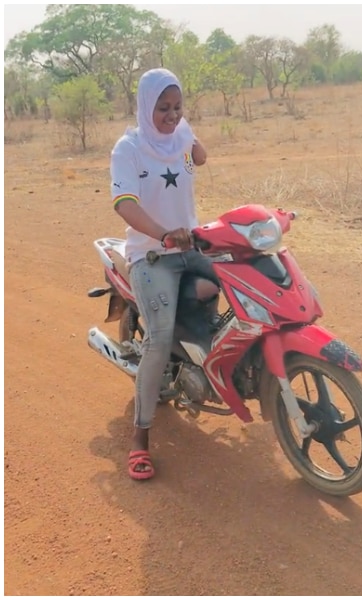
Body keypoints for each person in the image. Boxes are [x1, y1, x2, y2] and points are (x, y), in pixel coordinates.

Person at [111, 68, 217, 480]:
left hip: (191, 244)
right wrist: (163, 235)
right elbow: (124, 204)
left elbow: (201, 157)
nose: (171, 115)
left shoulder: (180, 132)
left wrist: (186, 135)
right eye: (163, 109)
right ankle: (140, 438)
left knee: (237, 285)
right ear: (144, 106)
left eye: (177, 107)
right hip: (152, 255)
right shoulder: (128, 148)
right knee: (156, 340)